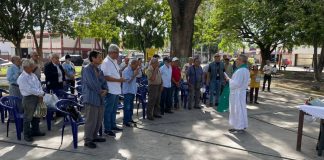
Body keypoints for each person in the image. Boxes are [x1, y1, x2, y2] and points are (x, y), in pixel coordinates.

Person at [82, 51, 108, 149]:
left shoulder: (99, 70)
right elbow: (91, 83)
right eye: (99, 57)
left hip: (100, 99)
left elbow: (103, 82)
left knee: (98, 120)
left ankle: (94, 136)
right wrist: (101, 91)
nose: (101, 59)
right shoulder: (87, 69)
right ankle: (88, 140)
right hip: (91, 98)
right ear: (93, 58)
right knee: (91, 120)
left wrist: (106, 89)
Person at [17, 59, 46, 142]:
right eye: (31, 66)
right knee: (28, 117)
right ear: (26, 67)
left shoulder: (33, 75)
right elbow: (29, 89)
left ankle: (35, 131)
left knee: (37, 116)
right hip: (29, 99)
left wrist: (40, 94)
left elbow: (38, 84)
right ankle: (26, 135)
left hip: (37, 97)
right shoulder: (22, 78)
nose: (33, 68)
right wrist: (40, 93)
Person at [101, 44, 125, 137]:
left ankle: (113, 125)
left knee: (114, 109)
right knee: (108, 110)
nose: (118, 55)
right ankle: (107, 129)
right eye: (117, 53)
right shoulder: (106, 62)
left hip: (116, 89)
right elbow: (105, 77)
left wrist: (120, 78)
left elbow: (117, 72)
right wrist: (119, 80)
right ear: (111, 52)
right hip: (110, 90)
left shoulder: (114, 60)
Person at [225, 54, 250, 133]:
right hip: (240, 93)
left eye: (238, 59)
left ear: (242, 61)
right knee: (241, 109)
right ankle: (240, 126)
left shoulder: (240, 70)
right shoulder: (245, 69)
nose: (236, 60)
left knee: (237, 110)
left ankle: (239, 127)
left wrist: (228, 79)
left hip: (237, 93)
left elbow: (236, 84)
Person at [122, 59, 139, 127]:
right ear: (133, 64)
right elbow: (128, 81)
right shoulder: (126, 70)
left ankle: (129, 119)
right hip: (128, 91)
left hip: (132, 91)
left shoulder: (133, 70)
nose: (137, 67)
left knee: (131, 107)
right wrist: (134, 75)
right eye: (136, 65)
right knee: (127, 107)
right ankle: (125, 121)